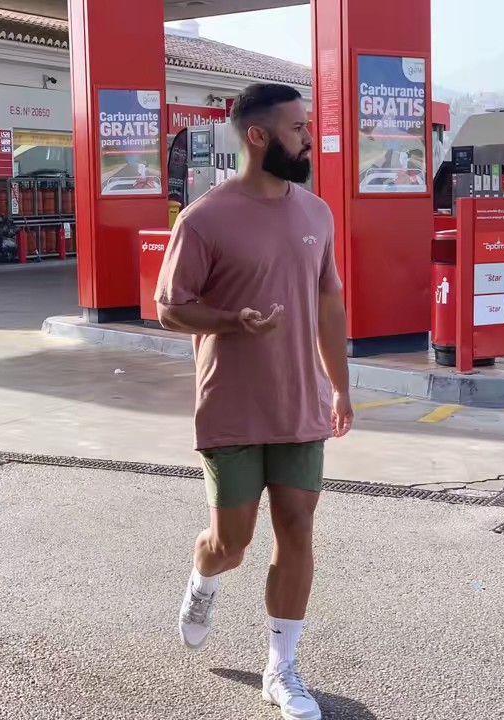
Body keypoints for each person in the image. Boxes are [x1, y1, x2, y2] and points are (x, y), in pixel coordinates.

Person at [154, 82, 353, 720]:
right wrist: (232, 321)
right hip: (231, 406)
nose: (309, 139)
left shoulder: (316, 213)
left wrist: (340, 385)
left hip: (300, 403)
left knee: (297, 528)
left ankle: (282, 668)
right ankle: (204, 575)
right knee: (232, 542)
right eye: (297, 128)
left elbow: (329, 304)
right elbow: (169, 308)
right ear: (259, 136)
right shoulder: (203, 219)